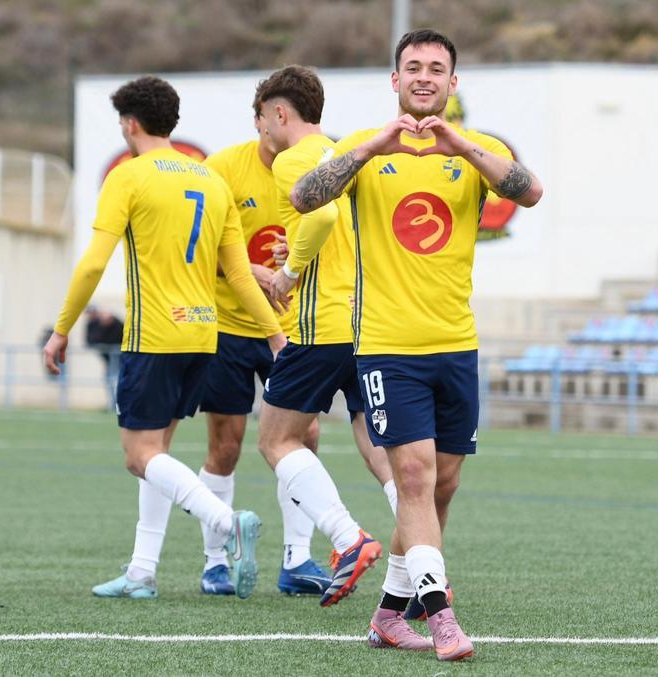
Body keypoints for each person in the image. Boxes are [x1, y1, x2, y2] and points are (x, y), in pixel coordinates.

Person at [282, 30, 543, 661]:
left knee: (443, 485)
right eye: (412, 68)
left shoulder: (478, 151)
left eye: (436, 69)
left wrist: (462, 147)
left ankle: (387, 617)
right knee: (415, 477)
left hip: (456, 345)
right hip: (386, 347)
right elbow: (304, 196)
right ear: (394, 80)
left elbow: (529, 191)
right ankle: (440, 613)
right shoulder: (363, 151)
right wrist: (376, 145)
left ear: (454, 83)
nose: (424, 76)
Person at [41, 76, 288, 601]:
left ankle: (226, 522)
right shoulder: (210, 180)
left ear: (130, 124)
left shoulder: (128, 177)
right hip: (204, 336)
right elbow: (242, 274)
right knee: (159, 452)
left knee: (138, 455)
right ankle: (141, 571)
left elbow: (91, 266)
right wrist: (275, 334)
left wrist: (62, 329)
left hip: (154, 335)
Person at [252, 65, 398, 609]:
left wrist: (290, 274)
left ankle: (345, 537)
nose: (262, 132)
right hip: (366, 322)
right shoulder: (342, 155)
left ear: (281, 114)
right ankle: (422, 561)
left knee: (276, 439)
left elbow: (322, 218)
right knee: (376, 443)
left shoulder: (292, 160)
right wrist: (302, 253)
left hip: (319, 326)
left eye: (264, 120)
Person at [190, 107, 332, 597]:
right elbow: (200, 246)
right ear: (261, 120)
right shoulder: (223, 168)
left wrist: (292, 265)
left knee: (305, 436)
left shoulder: (312, 170)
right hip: (229, 327)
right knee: (225, 447)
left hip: (290, 329)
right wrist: (259, 271)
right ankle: (214, 563)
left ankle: (297, 559)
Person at [84, 305, 124, 405]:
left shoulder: (115, 322)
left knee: (118, 380)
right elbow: (90, 342)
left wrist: (111, 322)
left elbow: (120, 336)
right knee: (109, 380)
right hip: (108, 359)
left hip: (120, 358)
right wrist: (103, 326)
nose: (91, 315)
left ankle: (117, 404)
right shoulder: (93, 324)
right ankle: (113, 404)